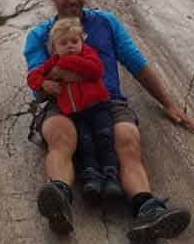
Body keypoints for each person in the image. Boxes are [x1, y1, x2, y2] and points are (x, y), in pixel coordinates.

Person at [24, 0, 194, 244]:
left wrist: (168, 103)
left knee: (127, 139)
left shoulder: (105, 22)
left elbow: (135, 63)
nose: (73, 0)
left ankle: (147, 208)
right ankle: (59, 199)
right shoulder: (39, 36)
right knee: (60, 135)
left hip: (107, 101)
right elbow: (38, 87)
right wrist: (51, 78)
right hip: (65, 104)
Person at [26, 18, 124, 203]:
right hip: (75, 113)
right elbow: (32, 77)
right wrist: (44, 82)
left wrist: (67, 63)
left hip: (98, 108)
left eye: (74, 41)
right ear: (54, 48)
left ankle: (112, 179)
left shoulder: (87, 54)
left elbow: (96, 70)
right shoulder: (53, 63)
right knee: (84, 144)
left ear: (82, 41)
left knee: (104, 140)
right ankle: (91, 179)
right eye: (63, 43)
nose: (70, 46)